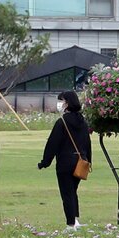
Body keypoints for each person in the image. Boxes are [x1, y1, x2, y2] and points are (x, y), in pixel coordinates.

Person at [38, 90, 91, 229]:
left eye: (61, 101)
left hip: (65, 163)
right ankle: (76, 220)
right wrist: (88, 160)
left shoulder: (62, 122)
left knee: (67, 193)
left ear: (67, 103)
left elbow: (52, 144)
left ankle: (70, 224)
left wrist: (45, 162)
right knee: (73, 191)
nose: (60, 104)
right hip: (80, 161)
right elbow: (87, 143)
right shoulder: (83, 122)